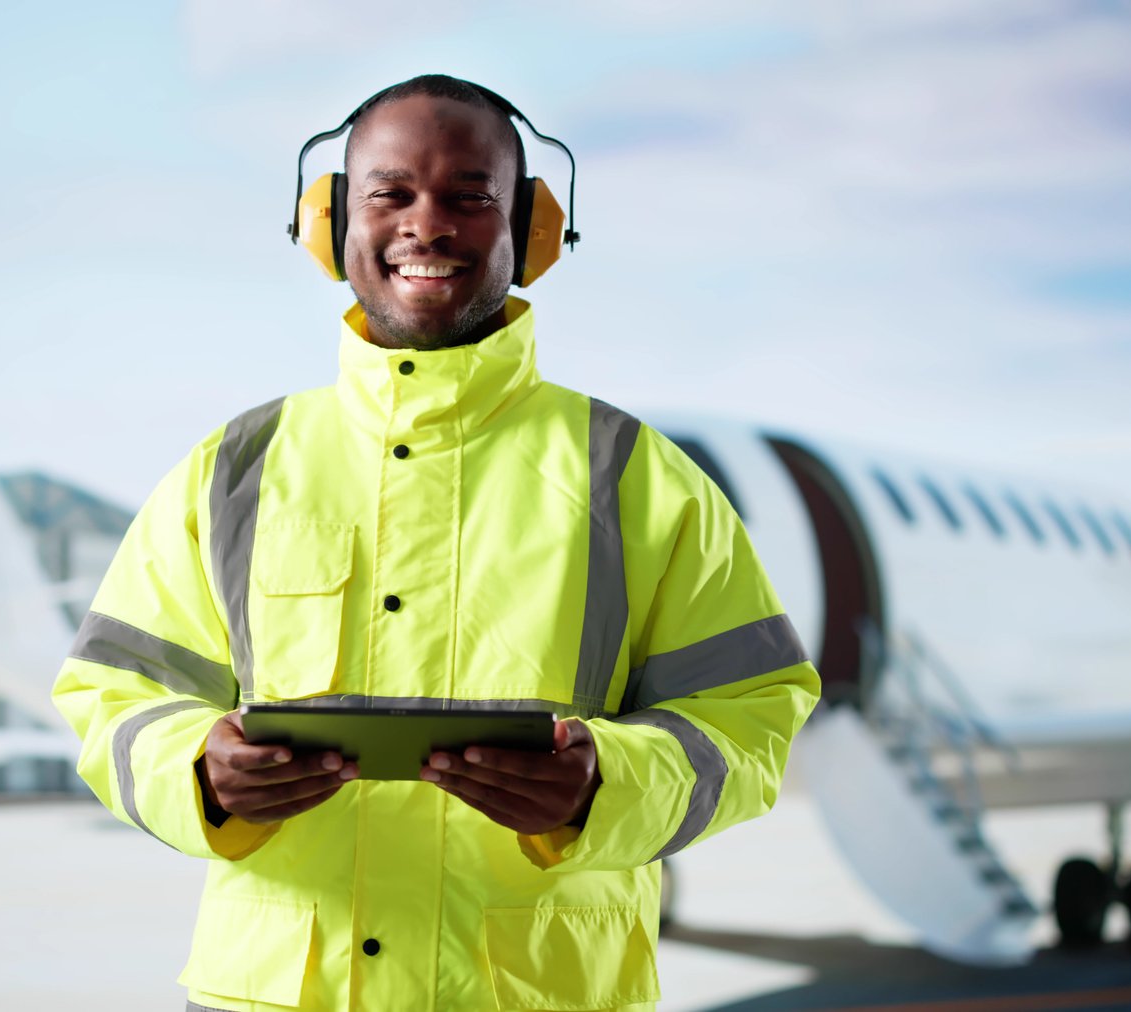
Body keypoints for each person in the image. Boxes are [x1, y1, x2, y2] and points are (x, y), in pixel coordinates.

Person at [52, 74, 820, 1012]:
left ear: (532, 230)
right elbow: (112, 697)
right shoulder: (234, 470)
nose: (427, 224)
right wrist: (199, 773)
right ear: (330, 221)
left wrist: (604, 787)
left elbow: (752, 716)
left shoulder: (635, 476)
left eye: (470, 195)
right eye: (390, 193)